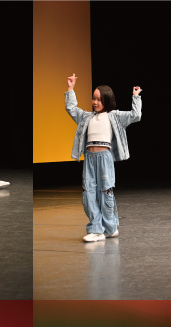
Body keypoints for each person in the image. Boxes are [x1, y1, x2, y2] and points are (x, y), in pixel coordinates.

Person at [65, 73, 141, 241]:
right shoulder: (86, 117)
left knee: (105, 192)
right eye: (94, 98)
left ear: (107, 100)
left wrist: (135, 97)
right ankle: (96, 229)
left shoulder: (114, 116)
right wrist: (70, 88)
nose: (95, 102)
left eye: (99, 99)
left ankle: (110, 227)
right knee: (89, 193)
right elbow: (71, 109)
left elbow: (135, 115)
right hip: (90, 159)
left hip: (105, 158)